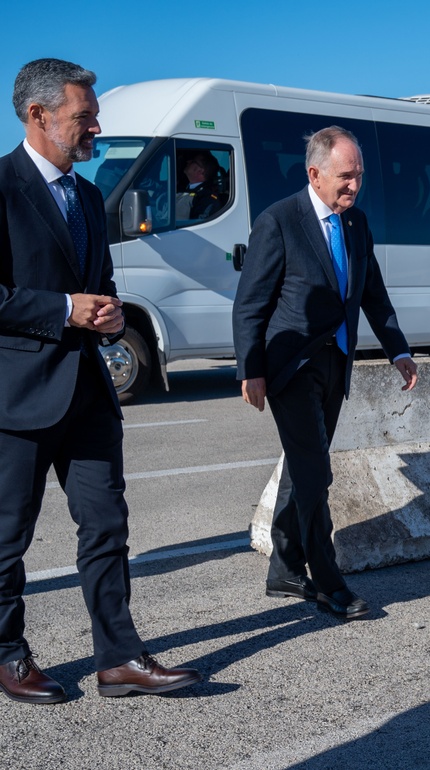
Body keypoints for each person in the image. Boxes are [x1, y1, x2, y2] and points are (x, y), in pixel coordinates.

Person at [0, 58, 201, 703]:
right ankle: (7, 656)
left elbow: (100, 287)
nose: (95, 127)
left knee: (107, 527)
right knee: (8, 536)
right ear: (38, 116)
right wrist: (65, 309)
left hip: (88, 392)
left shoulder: (87, 195)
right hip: (19, 396)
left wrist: (110, 316)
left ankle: (118, 658)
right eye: (83, 117)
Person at [233, 126, 418, 620]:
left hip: (336, 363)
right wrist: (250, 369)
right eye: (345, 176)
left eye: (359, 176)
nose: (354, 186)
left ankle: (285, 568)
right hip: (290, 367)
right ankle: (328, 580)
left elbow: (373, 294)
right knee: (317, 473)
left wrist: (398, 349)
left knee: (302, 469)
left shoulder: (355, 225)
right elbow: (250, 303)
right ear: (314, 174)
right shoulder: (279, 221)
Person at [176, 150, 222, 220]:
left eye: (193, 161)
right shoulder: (179, 188)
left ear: (200, 171)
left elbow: (198, 225)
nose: (188, 162)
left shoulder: (207, 200)